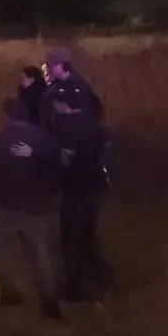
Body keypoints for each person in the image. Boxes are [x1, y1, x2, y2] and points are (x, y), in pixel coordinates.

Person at [41, 47, 112, 302]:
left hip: (77, 186)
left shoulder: (72, 123)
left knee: (71, 236)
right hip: (94, 186)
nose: (49, 70)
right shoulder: (96, 129)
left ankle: (77, 288)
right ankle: (103, 279)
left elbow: (62, 153)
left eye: (51, 66)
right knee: (86, 234)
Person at [0, 98, 63, 319]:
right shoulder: (43, 138)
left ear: (8, 117)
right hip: (35, 208)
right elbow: (56, 167)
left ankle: (10, 293)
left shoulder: (0, 140)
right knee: (39, 255)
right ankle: (50, 303)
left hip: (5, 207)